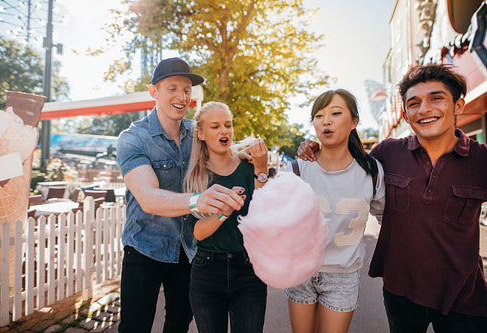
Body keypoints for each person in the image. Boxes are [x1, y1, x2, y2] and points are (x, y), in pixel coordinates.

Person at [298, 64, 487, 332]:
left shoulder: (481, 160)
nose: (424, 109)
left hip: (466, 300)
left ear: (458, 106)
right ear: (406, 115)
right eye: (414, 103)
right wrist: (314, 147)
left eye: (436, 98)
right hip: (402, 295)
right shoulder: (387, 153)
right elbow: (345, 164)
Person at [116, 58, 245, 333]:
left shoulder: (197, 132)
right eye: (172, 88)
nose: (181, 96)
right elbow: (148, 198)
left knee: (179, 324)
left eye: (186, 90)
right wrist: (197, 200)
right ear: (153, 92)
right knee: (134, 327)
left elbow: (225, 155)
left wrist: (243, 154)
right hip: (144, 248)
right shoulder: (132, 139)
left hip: (188, 251)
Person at [285, 89, 385, 333]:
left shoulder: (372, 171)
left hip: (343, 276)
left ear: (354, 122)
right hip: (301, 271)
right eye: (319, 116)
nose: (326, 120)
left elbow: (386, 217)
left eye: (336, 113)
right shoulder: (298, 168)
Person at [184, 101, 269, 332]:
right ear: (200, 134)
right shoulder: (196, 176)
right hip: (206, 272)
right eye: (215, 126)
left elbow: (263, 218)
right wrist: (223, 213)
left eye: (228, 125)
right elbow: (197, 232)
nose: (224, 131)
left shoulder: (248, 167)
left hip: (249, 269)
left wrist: (261, 171)